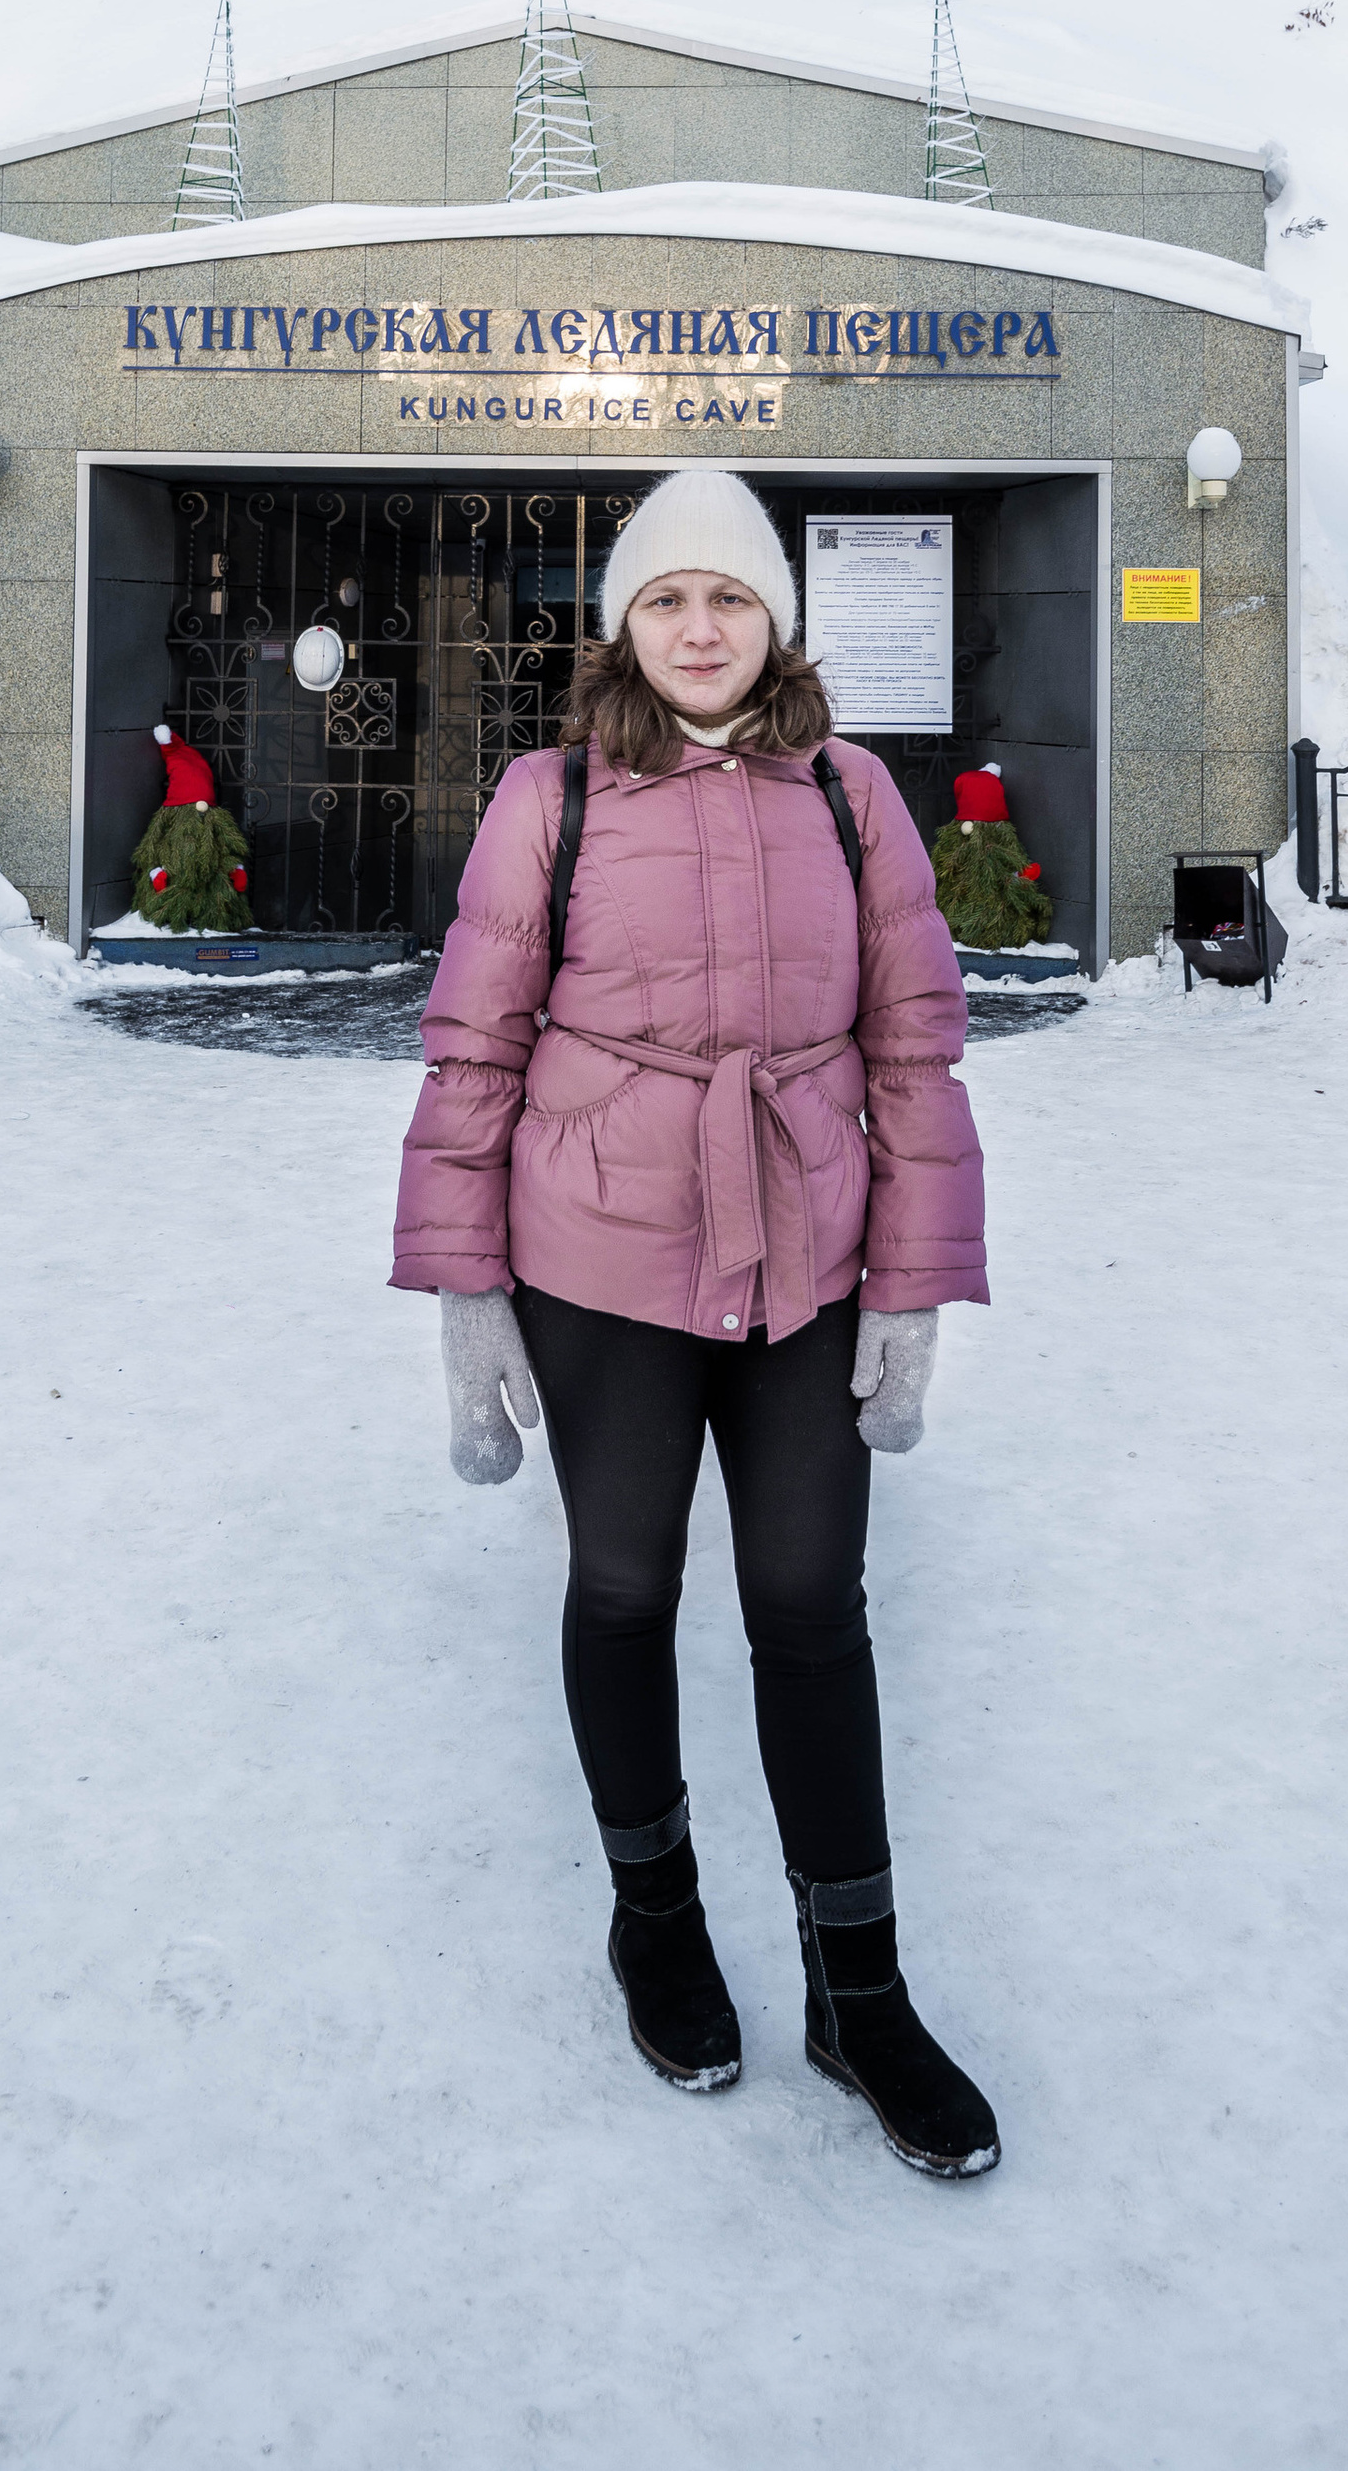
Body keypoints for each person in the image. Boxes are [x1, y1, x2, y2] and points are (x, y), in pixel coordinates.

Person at [391, 467, 998, 2179]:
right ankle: (653, 1914)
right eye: (668, 599)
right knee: (625, 1585)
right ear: (624, 623)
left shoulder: (857, 798)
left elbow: (915, 1052)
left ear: (777, 620)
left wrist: (915, 1287)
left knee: (812, 1603)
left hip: (804, 1249)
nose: (702, 626)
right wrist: (462, 1283)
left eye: (730, 597)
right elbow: (474, 1047)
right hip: (597, 1253)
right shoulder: (552, 795)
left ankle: (857, 1990)